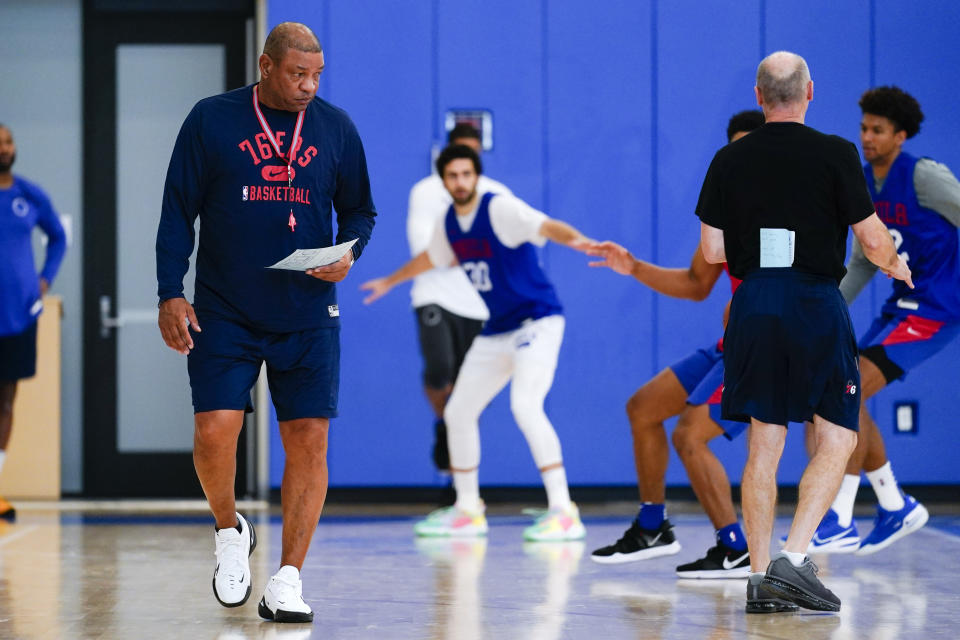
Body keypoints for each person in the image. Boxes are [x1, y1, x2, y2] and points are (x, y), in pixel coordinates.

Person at [155, 22, 376, 623]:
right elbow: (178, 209)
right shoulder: (212, 119)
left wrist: (349, 250)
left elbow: (360, 209)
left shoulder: (336, 128)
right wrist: (169, 292)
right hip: (225, 308)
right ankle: (230, 529)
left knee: (309, 440)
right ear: (266, 64)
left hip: (306, 312)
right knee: (214, 432)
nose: (308, 86)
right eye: (297, 74)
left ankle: (287, 578)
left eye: (317, 76)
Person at [697, 51, 911, 613]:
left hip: (754, 300)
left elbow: (713, 250)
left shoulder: (728, 159)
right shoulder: (837, 154)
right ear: (809, 92)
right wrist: (896, 264)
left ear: (758, 94)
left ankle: (761, 578)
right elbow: (871, 240)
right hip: (815, 300)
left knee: (764, 444)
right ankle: (794, 559)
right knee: (838, 435)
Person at [361, 144, 592, 541]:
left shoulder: (499, 208)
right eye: (453, 176)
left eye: (467, 174)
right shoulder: (449, 222)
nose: (461, 182)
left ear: (477, 176)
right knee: (457, 412)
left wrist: (582, 242)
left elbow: (546, 226)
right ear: (443, 180)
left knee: (525, 405)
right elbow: (431, 259)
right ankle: (468, 509)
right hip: (497, 329)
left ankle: (563, 510)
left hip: (537, 322)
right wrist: (389, 281)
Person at [587, 110, 765, 579]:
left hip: (764, 348)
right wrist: (633, 267)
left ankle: (735, 548)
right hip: (731, 344)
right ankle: (652, 528)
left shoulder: (787, 213)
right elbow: (694, 282)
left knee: (690, 435)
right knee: (643, 408)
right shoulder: (726, 216)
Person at [805, 86, 959, 555]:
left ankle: (842, 515)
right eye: (863, 128)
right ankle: (894, 505)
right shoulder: (866, 183)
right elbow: (864, 261)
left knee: (846, 389)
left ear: (900, 135)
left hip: (937, 308)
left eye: (878, 130)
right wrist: (827, 306)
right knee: (841, 384)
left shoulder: (925, 178)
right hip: (902, 307)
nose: (867, 137)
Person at [407, 123, 511, 472]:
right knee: (440, 373)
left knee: (470, 391)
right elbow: (426, 250)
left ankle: (461, 483)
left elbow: (511, 246)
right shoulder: (425, 192)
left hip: (479, 304)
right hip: (433, 296)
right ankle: (443, 421)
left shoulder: (496, 194)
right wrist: (475, 247)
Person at [0, 123, 67, 522]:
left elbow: (58, 237)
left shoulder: (28, 194)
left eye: (8, 141)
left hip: (18, 318)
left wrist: (44, 280)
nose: (4, 148)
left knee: (6, 401)